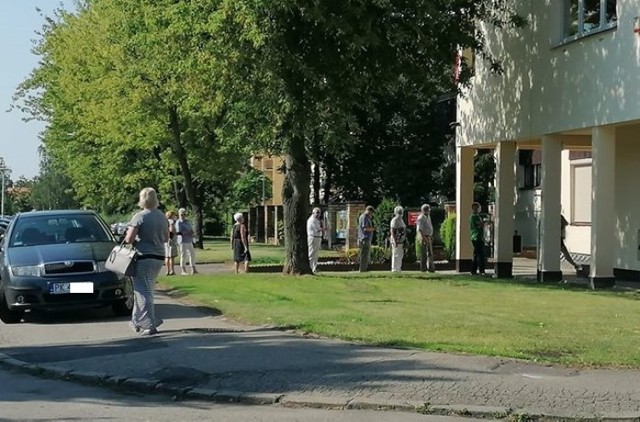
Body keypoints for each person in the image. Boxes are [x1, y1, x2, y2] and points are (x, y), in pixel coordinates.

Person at [124, 187, 168, 336]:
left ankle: (150, 324)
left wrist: (136, 238)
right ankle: (137, 320)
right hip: (159, 256)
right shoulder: (162, 216)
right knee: (145, 289)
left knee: (142, 291)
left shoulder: (139, 216)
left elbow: (129, 239)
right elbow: (166, 238)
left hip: (144, 256)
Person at [175, 208, 197, 275]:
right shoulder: (178, 222)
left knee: (192, 254)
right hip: (182, 240)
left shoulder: (187, 221)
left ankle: (193, 269)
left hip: (189, 239)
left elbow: (191, 229)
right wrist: (187, 233)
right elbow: (178, 232)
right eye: (181, 214)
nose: (183, 215)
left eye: (184, 214)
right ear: (179, 214)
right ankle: (183, 270)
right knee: (183, 255)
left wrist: (192, 232)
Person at [415, 204, 435, 272]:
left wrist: (431, 235)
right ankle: (423, 268)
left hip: (428, 236)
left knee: (430, 253)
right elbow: (419, 230)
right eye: (428, 209)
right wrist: (424, 238)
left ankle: (430, 268)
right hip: (423, 236)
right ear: (425, 210)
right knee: (424, 254)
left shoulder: (428, 216)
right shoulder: (421, 218)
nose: (429, 211)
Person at [470, 202, 486, 276]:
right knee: (479, 255)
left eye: (477, 207)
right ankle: (479, 270)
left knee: (477, 254)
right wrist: (481, 224)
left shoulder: (477, 216)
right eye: (475, 207)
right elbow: (481, 224)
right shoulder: (474, 216)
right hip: (477, 237)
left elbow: (481, 225)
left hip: (478, 237)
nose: (477, 209)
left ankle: (475, 270)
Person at [358, 206, 376, 272]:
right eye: (371, 213)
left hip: (366, 238)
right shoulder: (364, 217)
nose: (371, 214)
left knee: (365, 254)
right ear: (369, 211)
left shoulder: (366, 217)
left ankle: (364, 268)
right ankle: (363, 269)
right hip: (364, 238)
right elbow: (365, 228)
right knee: (364, 255)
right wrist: (373, 229)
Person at [306, 207, 324, 273]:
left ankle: (314, 268)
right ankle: (310, 267)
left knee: (316, 254)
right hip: (313, 238)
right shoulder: (312, 220)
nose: (318, 214)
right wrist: (324, 227)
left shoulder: (317, 220)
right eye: (316, 212)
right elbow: (318, 229)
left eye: (319, 213)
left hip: (318, 237)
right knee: (311, 253)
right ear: (313, 213)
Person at [389, 206, 407, 273]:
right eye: (399, 212)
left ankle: (398, 268)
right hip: (396, 240)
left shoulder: (401, 220)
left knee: (400, 254)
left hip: (401, 240)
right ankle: (394, 269)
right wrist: (395, 241)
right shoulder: (394, 220)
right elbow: (392, 230)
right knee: (395, 254)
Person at [164, 211, 178, 276]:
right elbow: (172, 230)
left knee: (167, 256)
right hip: (171, 239)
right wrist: (175, 233)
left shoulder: (164, 221)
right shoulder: (171, 221)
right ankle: (172, 270)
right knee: (171, 256)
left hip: (166, 239)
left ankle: (167, 270)